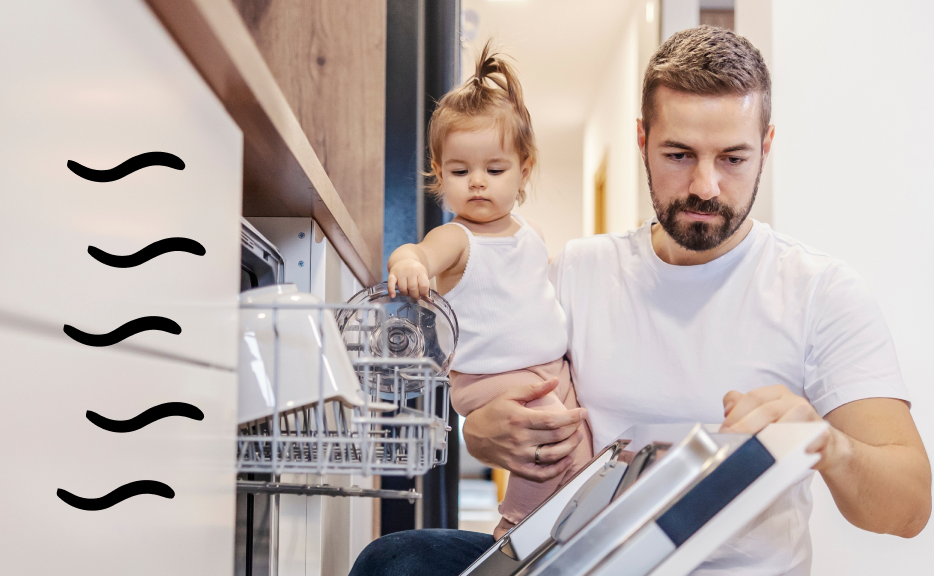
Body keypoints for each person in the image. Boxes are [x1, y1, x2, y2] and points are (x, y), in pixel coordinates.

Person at [351, 26, 931, 576]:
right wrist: (478, 429)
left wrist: (823, 441)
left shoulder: (821, 291)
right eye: (679, 155)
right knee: (395, 561)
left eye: (733, 158)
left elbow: (908, 509)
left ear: (767, 145)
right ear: (642, 140)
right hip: (590, 562)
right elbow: (499, 378)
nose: (705, 186)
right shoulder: (580, 269)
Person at [385, 42, 593, 541]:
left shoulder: (530, 233)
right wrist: (409, 264)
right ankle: (515, 528)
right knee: (548, 437)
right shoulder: (457, 239)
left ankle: (571, 528)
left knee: (582, 448)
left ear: (524, 170)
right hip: (489, 377)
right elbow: (413, 253)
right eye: (460, 171)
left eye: (494, 170)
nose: (477, 183)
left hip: (548, 369)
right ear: (440, 174)